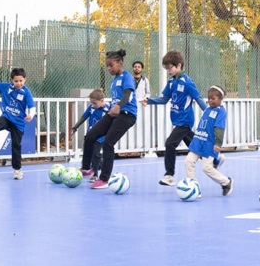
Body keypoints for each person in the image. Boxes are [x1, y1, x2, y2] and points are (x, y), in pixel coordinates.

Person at [143, 50, 207, 187]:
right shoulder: (171, 82)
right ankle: (214, 158)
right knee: (194, 145)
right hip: (177, 120)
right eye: (166, 68)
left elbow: (198, 98)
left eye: (170, 68)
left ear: (178, 65)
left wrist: (208, 112)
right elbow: (165, 99)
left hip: (185, 120)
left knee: (170, 144)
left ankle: (169, 175)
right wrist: (150, 101)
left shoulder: (188, 82)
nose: (168, 71)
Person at [82, 49, 138, 189]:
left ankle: (104, 179)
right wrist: (114, 109)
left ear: (120, 63)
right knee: (90, 136)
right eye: (107, 65)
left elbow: (127, 94)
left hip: (126, 115)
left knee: (108, 143)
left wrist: (119, 106)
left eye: (111, 65)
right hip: (113, 114)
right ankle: (87, 168)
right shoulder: (114, 81)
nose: (109, 68)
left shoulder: (127, 77)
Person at [185, 85, 233, 196]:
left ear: (220, 99)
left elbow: (219, 128)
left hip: (209, 144)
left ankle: (226, 182)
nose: (210, 100)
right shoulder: (207, 109)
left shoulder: (221, 111)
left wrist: (218, 143)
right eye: (209, 98)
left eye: (213, 98)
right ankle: (194, 188)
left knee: (206, 168)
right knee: (188, 161)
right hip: (198, 140)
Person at [71, 89, 107, 177]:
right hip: (90, 134)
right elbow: (84, 116)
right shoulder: (91, 108)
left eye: (95, 103)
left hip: (100, 136)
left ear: (102, 101)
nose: (93, 105)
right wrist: (75, 127)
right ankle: (86, 168)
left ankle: (95, 174)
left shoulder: (107, 110)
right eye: (91, 103)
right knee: (87, 150)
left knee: (96, 153)